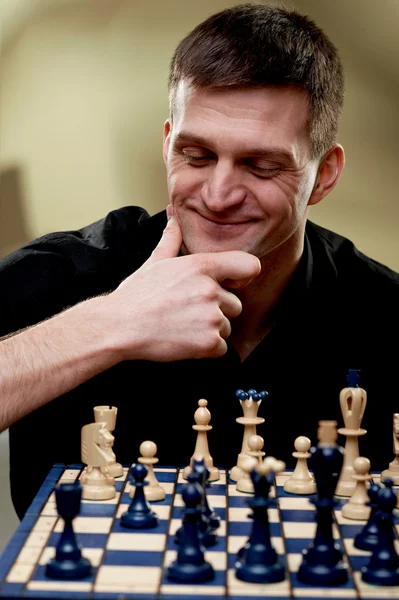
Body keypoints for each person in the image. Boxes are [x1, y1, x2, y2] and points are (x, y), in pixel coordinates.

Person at [0, 3, 398, 520]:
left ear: (324, 175)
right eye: (198, 155)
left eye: (260, 165)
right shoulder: (69, 270)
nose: (218, 194)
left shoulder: (385, 311)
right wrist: (113, 323)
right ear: (168, 147)